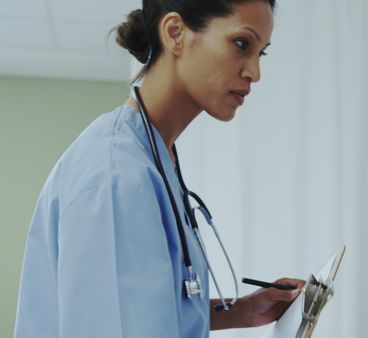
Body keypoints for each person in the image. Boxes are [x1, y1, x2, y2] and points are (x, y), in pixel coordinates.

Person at [13, 0, 305, 337]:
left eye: (261, 53)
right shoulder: (118, 178)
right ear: (175, 33)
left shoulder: (152, 156)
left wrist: (239, 312)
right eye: (242, 44)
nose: (254, 72)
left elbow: (146, 308)